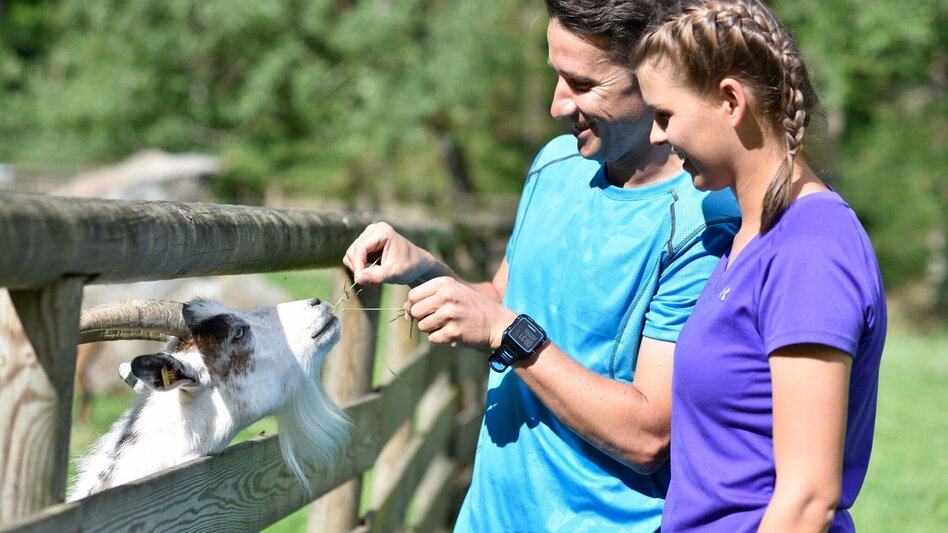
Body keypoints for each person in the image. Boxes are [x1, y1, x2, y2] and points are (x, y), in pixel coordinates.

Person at [344, 1, 739, 530]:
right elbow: (505, 300)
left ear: (655, 78)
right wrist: (421, 268)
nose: (557, 104)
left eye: (581, 83)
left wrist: (506, 332)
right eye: (557, 74)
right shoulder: (556, 164)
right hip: (487, 516)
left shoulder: (703, 223)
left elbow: (649, 435)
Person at [631, 0, 887, 531]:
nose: (656, 136)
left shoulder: (811, 249)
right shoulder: (750, 235)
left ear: (730, 101)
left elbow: (807, 499)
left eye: (665, 115)